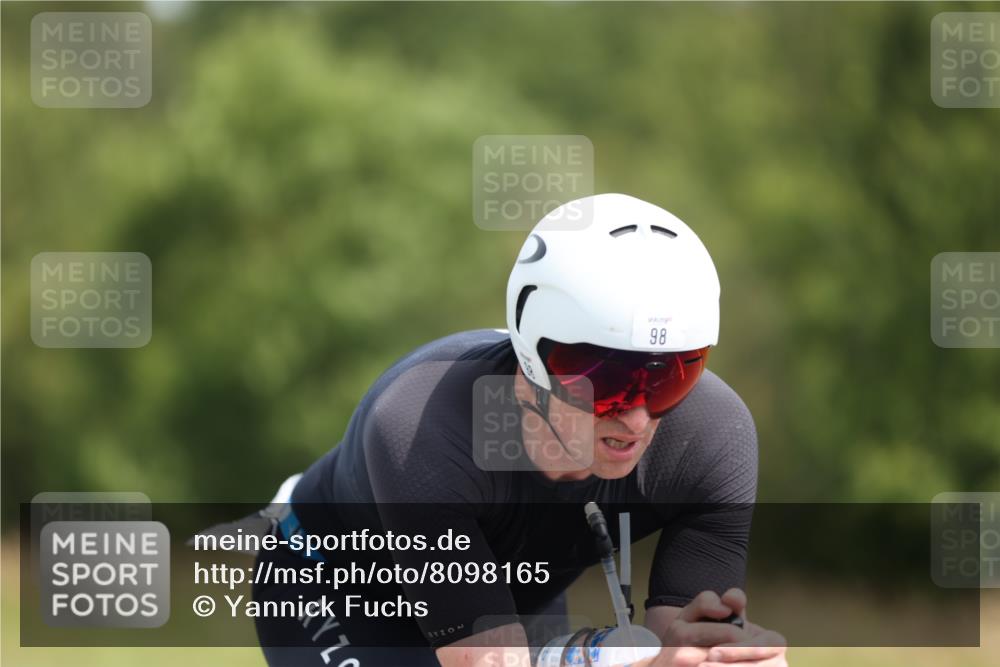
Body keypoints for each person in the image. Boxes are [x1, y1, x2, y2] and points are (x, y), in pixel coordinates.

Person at [252, 193, 788, 667]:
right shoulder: (423, 429)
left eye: (670, 379)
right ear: (535, 359)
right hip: (336, 579)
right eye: (608, 384)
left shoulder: (713, 437)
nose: (638, 417)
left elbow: (681, 642)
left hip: (508, 591)